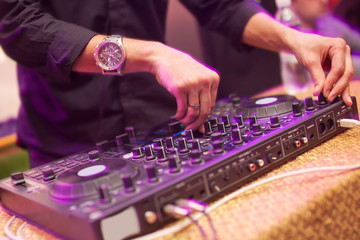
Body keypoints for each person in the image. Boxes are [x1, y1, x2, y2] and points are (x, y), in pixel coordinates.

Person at [0, 0, 354, 167]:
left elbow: (221, 6)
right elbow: (21, 25)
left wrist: (293, 39)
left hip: (164, 124)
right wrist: (152, 54)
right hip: (65, 138)